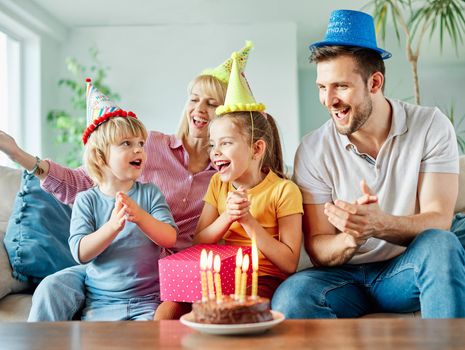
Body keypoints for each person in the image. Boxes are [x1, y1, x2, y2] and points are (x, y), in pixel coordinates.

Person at [0, 41, 253, 321]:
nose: (199, 109)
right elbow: (82, 182)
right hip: (107, 269)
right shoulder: (150, 145)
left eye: (212, 103)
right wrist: (18, 154)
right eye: (194, 99)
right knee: (53, 287)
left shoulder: (226, 173)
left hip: (163, 276)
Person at [271, 9, 465, 318]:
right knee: (292, 297)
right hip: (345, 280)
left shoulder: (429, 125)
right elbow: (319, 247)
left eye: (340, 86)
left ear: (374, 83)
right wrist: (351, 238)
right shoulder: (312, 149)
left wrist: (379, 224)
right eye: (322, 87)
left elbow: (439, 220)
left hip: (407, 267)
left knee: (442, 244)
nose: (328, 99)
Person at [194, 51, 303, 299]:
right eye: (213, 145)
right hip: (222, 276)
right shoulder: (217, 184)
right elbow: (199, 241)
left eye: (226, 143)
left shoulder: (284, 191)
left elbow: (289, 263)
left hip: (263, 280)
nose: (215, 152)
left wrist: (247, 221)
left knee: (236, 308)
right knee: (167, 309)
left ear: (256, 148)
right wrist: (228, 217)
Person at [69, 80, 177, 320]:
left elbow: (170, 237)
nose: (138, 150)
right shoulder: (86, 200)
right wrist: (112, 227)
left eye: (141, 144)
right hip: (101, 302)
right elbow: (81, 253)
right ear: (100, 155)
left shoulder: (150, 193)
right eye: (126, 144)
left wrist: (140, 217)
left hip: (148, 300)